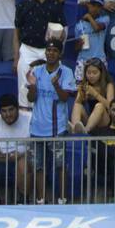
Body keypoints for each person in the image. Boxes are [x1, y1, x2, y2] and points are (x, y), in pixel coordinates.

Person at [27, 39, 76, 203]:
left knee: (60, 165)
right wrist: (33, 87)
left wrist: (56, 85)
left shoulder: (66, 72)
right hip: (36, 127)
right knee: (38, 166)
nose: (51, 53)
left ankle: (62, 199)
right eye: (48, 50)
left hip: (57, 128)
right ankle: (41, 199)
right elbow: (31, 98)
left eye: (54, 50)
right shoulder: (37, 71)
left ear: (60, 53)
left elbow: (64, 98)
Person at [0, 94, 33, 203]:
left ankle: (23, 201)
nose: (8, 114)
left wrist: (21, 155)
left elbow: (39, 147)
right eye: (4, 111)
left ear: (18, 108)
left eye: (11, 110)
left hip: (24, 161)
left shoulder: (30, 119)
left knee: (23, 164)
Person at [14, 0, 66, 109]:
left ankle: (49, 112)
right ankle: (24, 112)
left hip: (48, 49)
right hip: (27, 48)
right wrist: (16, 58)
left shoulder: (55, 4)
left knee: (52, 83)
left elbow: (63, 31)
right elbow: (16, 32)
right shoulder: (23, 4)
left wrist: (60, 37)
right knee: (24, 85)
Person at [70, 58, 114, 135]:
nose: (91, 76)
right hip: (91, 120)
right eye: (88, 73)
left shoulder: (108, 85)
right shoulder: (85, 85)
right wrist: (81, 94)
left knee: (99, 106)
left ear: (101, 73)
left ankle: (86, 131)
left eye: (94, 73)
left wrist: (95, 94)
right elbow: (77, 104)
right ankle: (75, 129)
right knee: (77, 105)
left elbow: (111, 107)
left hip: (104, 121)